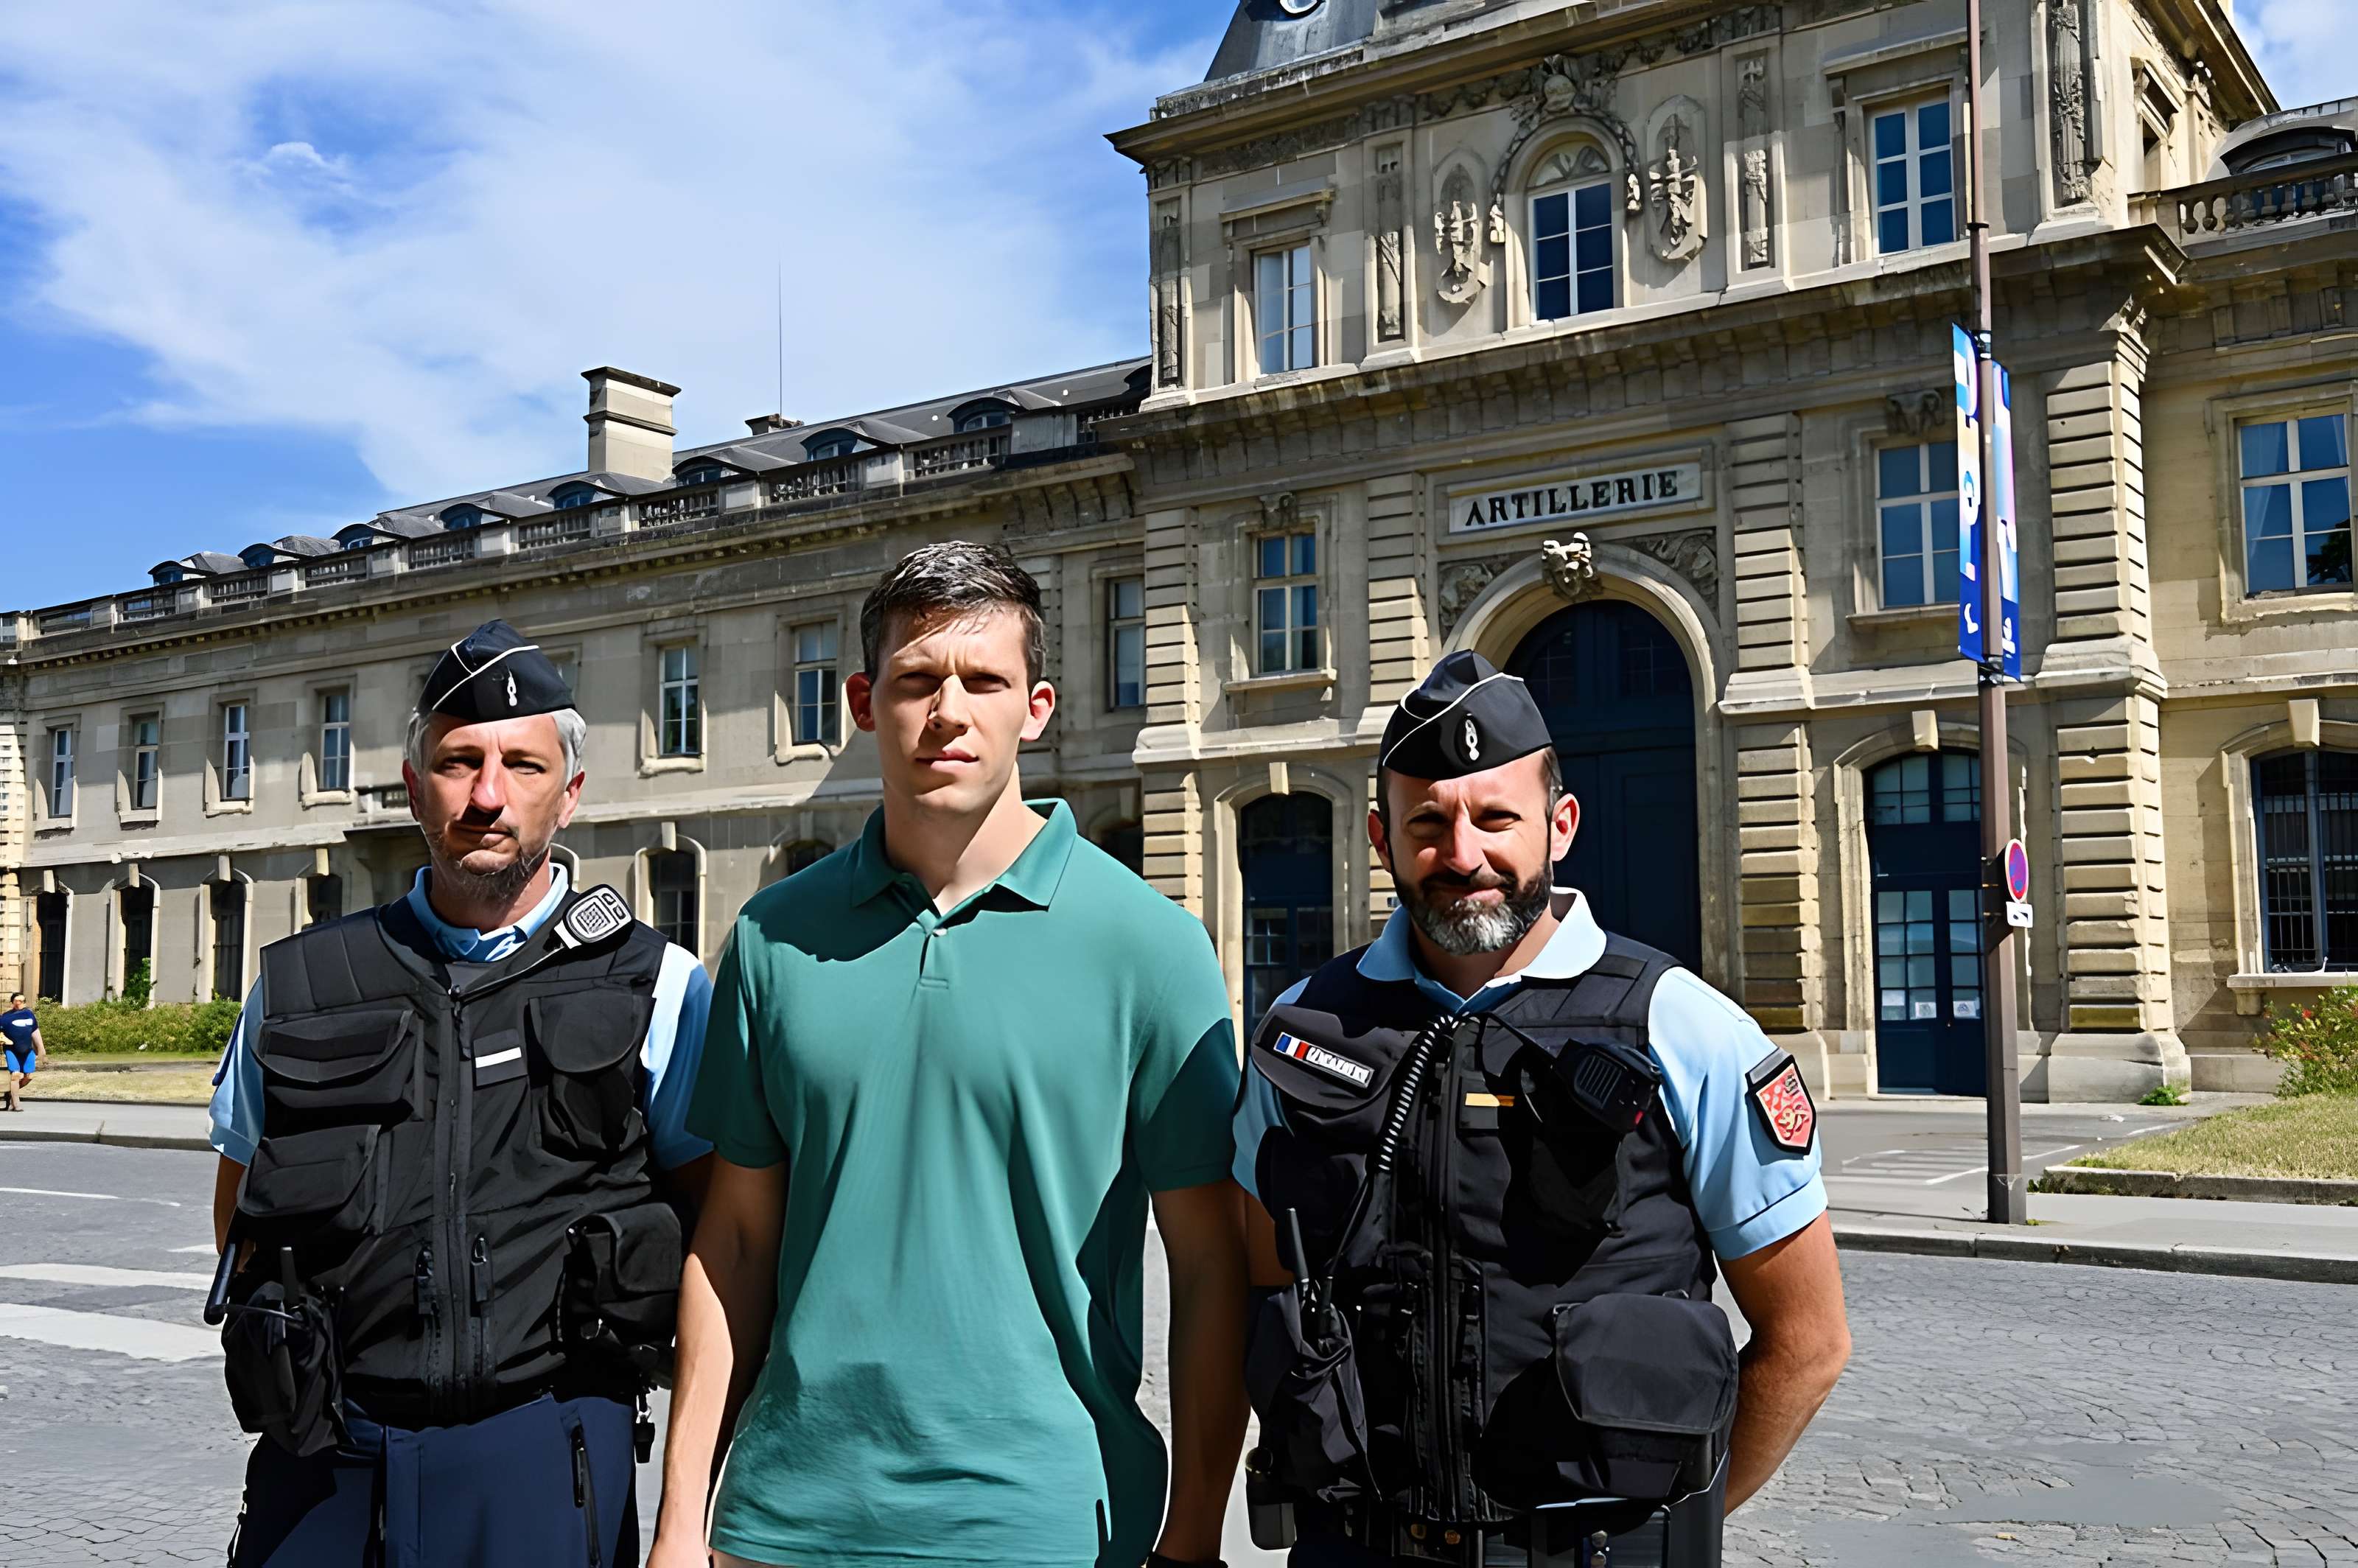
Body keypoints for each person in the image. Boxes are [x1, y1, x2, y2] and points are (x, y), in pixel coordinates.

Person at [654, 542, 1248, 1568]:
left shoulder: (1151, 947)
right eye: (917, 680)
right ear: (862, 702)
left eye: (984, 681)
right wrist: (676, 1526)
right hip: (786, 1526)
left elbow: (1207, 1266)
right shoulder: (772, 938)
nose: (949, 712)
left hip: (1050, 1530)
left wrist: (1192, 1539)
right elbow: (736, 1243)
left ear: (1037, 706)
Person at [1233, 650, 1852, 1567]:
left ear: (1559, 824)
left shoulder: (1681, 1025)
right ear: (1379, 836)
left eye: (1495, 818)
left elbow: (1806, 1340)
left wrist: (1674, 1525)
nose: (1463, 855)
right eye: (1427, 823)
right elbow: (1265, 1287)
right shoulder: (1301, 1031)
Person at [204, 619, 715, 1567]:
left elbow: (718, 1241)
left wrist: (689, 1512)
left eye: (522, 765)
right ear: (413, 788)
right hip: (327, 1458)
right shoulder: (302, 984)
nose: (487, 795)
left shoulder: (659, 984)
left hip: (544, 1455)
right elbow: (240, 1210)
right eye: (457, 762)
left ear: (570, 794)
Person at [1, 993, 41, 1112]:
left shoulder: (29, 1015)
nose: (19, 1003)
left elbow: (36, 1033)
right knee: (15, 1075)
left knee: (29, 1077)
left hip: (28, 1050)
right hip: (11, 1050)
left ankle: (11, 1094)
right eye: (17, 1001)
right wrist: (3, 1040)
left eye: (22, 1001)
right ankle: (16, 1104)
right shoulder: (5, 1018)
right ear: (12, 1002)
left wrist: (41, 1051)